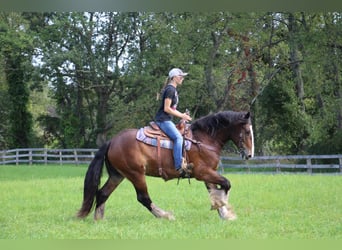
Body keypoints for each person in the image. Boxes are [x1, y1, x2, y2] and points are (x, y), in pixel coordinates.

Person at [155, 68, 192, 177]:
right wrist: (182, 115)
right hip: (163, 120)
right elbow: (167, 108)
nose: (182, 78)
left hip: (166, 119)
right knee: (178, 138)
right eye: (181, 76)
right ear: (174, 77)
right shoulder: (170, 90)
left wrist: (183, 116)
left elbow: (172, 109)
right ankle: (179, 166)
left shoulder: (173, 90)